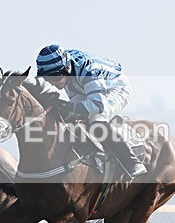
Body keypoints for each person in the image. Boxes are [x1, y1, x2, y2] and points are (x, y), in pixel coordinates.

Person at [36, 43, 147, 178]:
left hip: (115, 87)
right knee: (69, 116)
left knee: (97, 120)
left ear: (67, 68)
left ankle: (132, 162)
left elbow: (96, 105)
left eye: (54, 78)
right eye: (47, 78)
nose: (52, 83)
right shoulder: (65, 70)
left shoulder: (87, 70)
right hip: (83, 87)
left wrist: (66, 106)